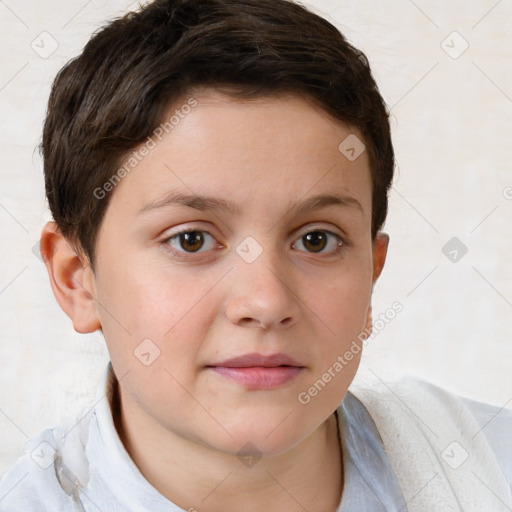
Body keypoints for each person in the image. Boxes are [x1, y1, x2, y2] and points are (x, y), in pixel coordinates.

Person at [0, 0, 510, 510]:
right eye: (191, 239)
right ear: (77, 281)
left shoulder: (489, 468)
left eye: (317, 239)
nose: (266, 302)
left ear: (371, 274)